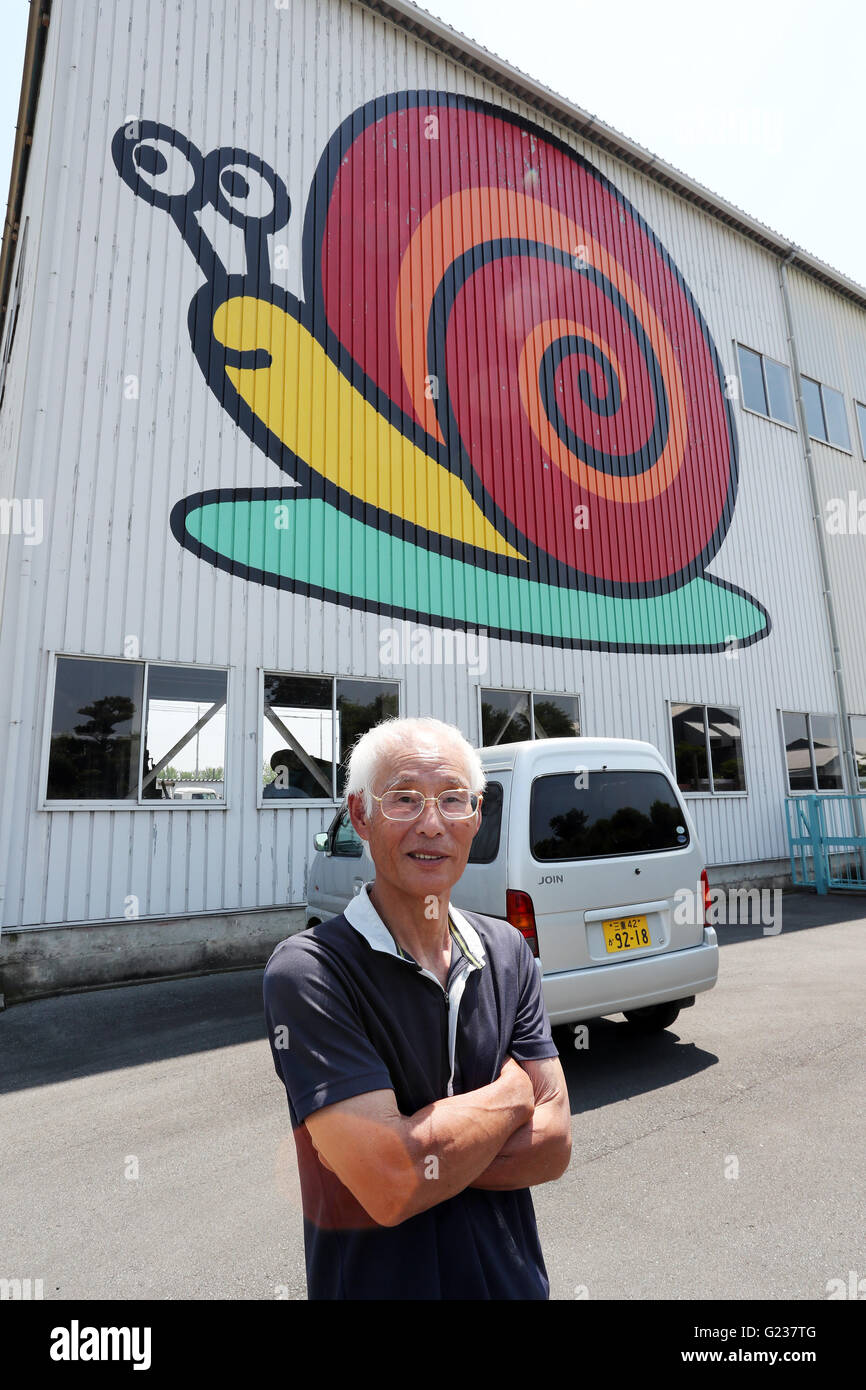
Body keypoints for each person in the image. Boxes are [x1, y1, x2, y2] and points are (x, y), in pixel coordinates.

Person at [262, 715, 571, 1299]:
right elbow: (392, 1182)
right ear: (361, 816)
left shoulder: (506, 951)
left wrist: (423, 1150)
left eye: (454, 800)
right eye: (404, 799)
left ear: (476, 819)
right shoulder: (312, 972)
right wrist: (513, 1094)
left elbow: (554, 1147)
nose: (433, 824)